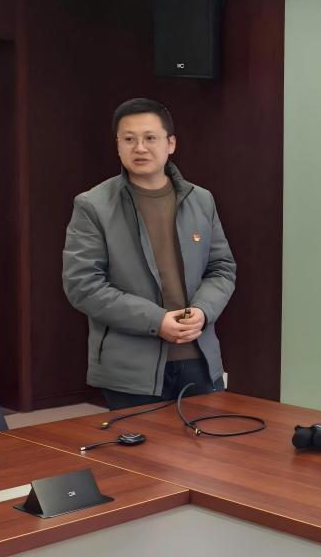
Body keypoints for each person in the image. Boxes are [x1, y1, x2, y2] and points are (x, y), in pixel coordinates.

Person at [63, 98, 236, 410]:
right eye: (129, 139)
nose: (140, 148)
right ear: (118, 146)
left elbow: (221, 268)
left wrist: (203, 311)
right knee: (140, 444)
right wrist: (157, 321)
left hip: (199, 359)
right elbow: (83, 286)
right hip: (130, 371)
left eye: (150, 138)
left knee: (206, 441)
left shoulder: (201, 200)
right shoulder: (93, 205)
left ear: (171, 144)